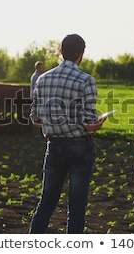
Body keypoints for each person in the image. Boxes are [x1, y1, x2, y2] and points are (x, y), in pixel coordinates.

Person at [29, 34, 106, 234]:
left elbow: (35, 118)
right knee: (77, 206)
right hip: (80, 146)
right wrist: (97, 124)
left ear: (60, 52)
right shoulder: (86, 80)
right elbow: (89, 122)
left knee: (46, 203)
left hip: (53, 146)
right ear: (81, 54)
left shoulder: (43, 79)